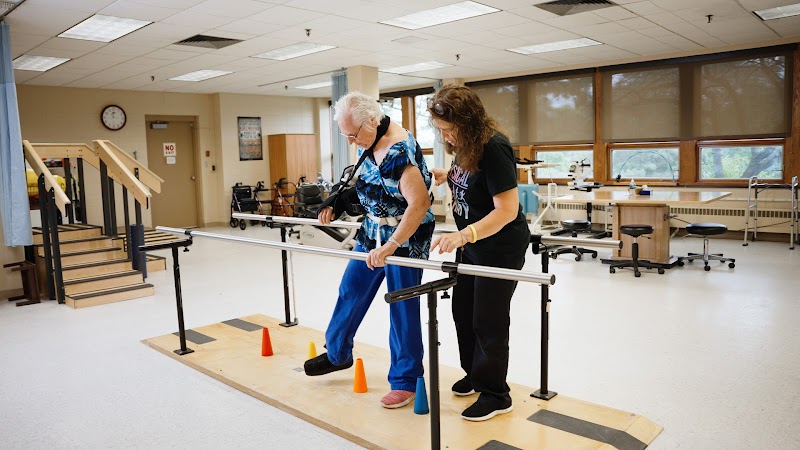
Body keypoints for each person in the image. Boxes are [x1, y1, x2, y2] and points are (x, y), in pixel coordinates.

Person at [304, 91, 436, 409]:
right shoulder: (369, 141)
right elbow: (371, 188)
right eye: (345, 135)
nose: (351, 142)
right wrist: (338, 203)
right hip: (372, 230)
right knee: (351, 288)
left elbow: (419, 204)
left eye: (353, 135)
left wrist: (392, 245)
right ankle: (337, 354)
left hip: (405, 237)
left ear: (373, 121)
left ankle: (405, 381)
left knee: (401, 306)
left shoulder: (398, 151)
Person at [428, 84, 531, 421]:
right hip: (472, 246)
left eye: (449, 130)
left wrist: (463, 235)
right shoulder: (465, 145)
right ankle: (474, 374)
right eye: (440, 130)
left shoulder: (494, 147)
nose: (446, 137)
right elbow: (474, 182)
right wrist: (449, 174)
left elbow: (507, 210)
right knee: (463, 312)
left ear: (468, 123)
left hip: (499, 248)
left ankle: (496, 394)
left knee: (488, 320)